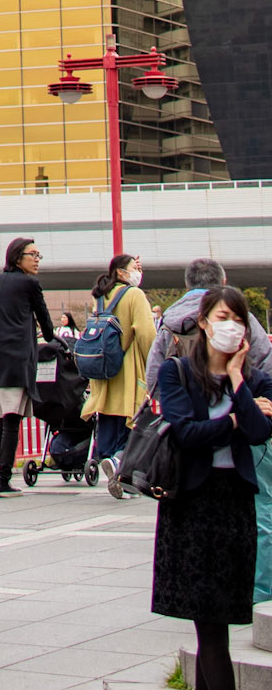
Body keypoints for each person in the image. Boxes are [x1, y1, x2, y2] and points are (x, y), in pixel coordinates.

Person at [151, 288, 272, 690]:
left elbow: (260, 432)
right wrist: (237, 419)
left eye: (238, 319)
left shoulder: (257, 380)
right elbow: (186, 433)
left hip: (235, 505)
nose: (231, 327)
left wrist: (238, 379)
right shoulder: (177, 372)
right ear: (203, 322)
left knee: (216, 627)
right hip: (191, 506)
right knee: (211, 628)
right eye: (222, 318)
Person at [0, 236, 54, 496]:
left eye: (38, 255)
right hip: (15, 357)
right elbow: (45, 321)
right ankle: (3, 479)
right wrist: (53, 338)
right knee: (13, 419)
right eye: (32, 255)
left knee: (8, 412)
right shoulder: (29, 283)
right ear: (16, 258)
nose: (36, 260)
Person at [83, 253, 156, 483]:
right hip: (129, 367)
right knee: (131, 415)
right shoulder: (135, 295)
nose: (138, 273)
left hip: (104, 368)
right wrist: (153, 363)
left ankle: (106, 457)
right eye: (134, 268)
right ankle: (118, 464)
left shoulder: (102, 296)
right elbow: (146, 333)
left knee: (107, 415)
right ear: (122, 273)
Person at [147, 261, 272, 392]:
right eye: (222, 317)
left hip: (183, 401)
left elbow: (154, 376)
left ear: (187, 286)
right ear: (223, 282)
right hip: (239, 400)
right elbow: (265, 361)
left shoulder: (169, 323)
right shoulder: (241, 317)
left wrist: (171, 401)